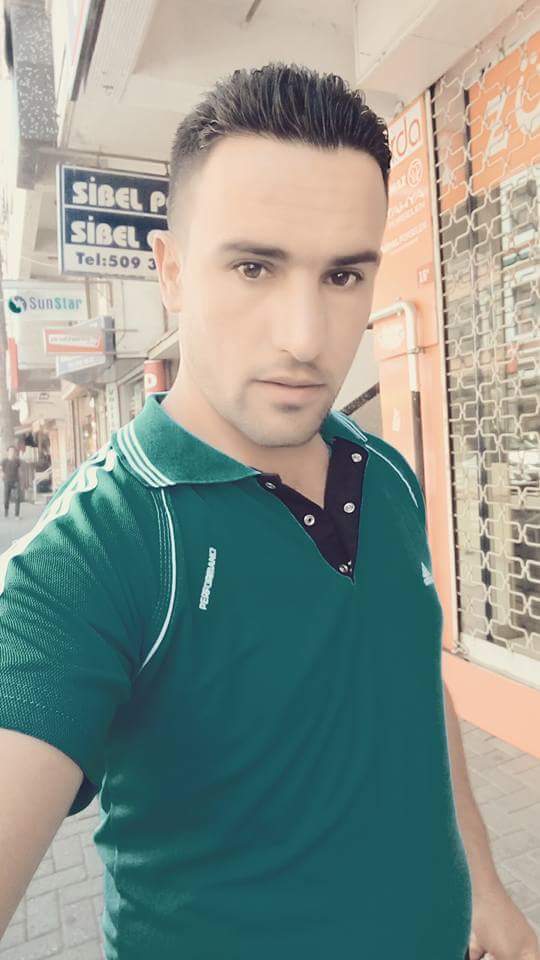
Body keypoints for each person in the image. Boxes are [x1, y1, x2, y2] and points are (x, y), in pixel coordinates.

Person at [0, 63, 538, 960]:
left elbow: (411, 675)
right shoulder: (97, 550)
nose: (305, 336)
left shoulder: (385, 472)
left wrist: (484, 883)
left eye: (344, 275)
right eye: (254, 266)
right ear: (172, 271)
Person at [1, 445, 22, 519]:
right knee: (6, 498)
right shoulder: (4, 461)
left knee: (17, 497)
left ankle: (17, 514)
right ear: (8, 452)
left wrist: (21, 480)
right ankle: (6, 510)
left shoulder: (17, 461)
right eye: (10, 451)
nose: (12, 452)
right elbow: (1, 470)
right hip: (7, 481)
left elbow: (20, 470)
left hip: (16, 481)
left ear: (15, 452)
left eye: (13, 451)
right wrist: (2, 475)